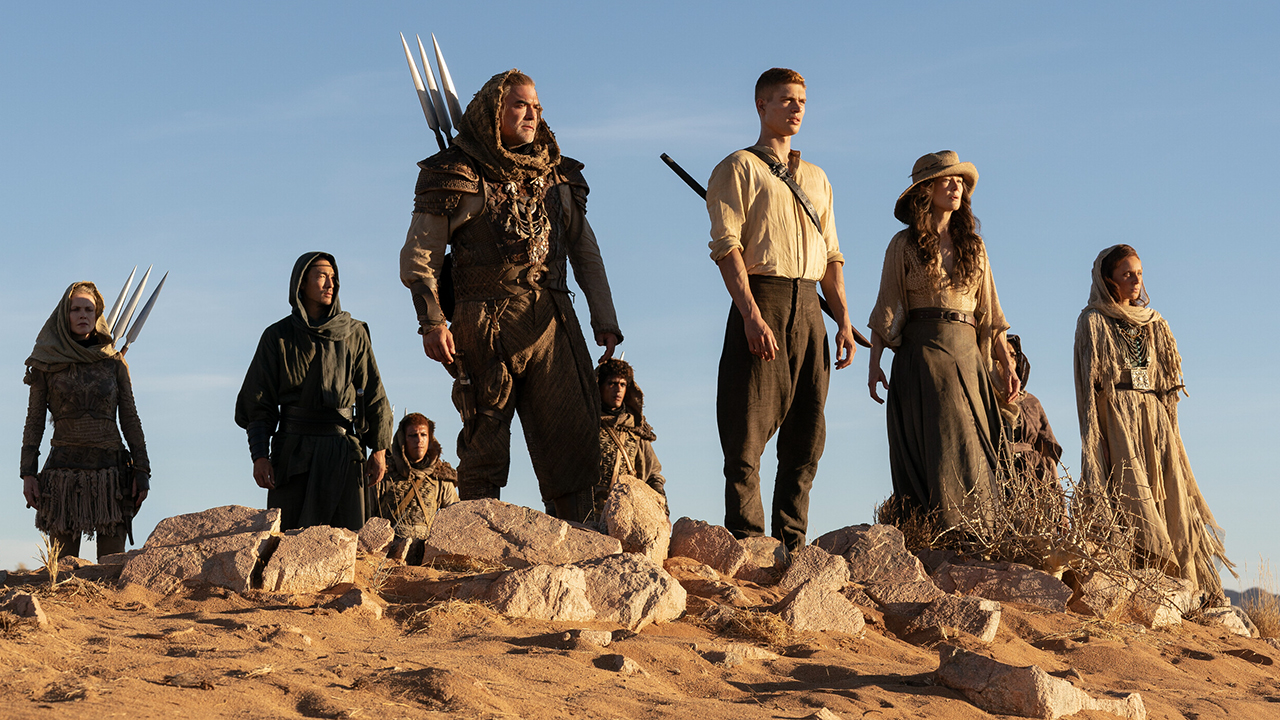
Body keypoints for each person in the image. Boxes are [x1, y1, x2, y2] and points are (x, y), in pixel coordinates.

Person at [401, 70, 622, 523]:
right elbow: (420, 255)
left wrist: (605, 318)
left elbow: (585, 250)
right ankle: (477, 543)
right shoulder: (457, 171)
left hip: (553, 320)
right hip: (482, 322)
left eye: (537, 107)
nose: (532, 114)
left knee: (571, 435)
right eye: (520, 105)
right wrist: (432, 321)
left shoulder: (559, 175)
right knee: (485, 436)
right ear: (495, 110)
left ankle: (575, 539)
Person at [706, 67, 856, 551]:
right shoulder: (737, 167)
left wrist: (846, 324)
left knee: (808, 434)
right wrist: (751, 314)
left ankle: (792, 543)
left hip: (811, 302)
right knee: (745, 429)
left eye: (801, 102)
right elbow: (727, 247)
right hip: (762, 295)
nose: (795, 109)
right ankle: (748, 543)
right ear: (761, 106)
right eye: (785, 100)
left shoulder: (818, 178)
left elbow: (832, 256)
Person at [867, 151, 1020, 531]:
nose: (956, 187)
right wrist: (874, 365)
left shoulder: (976, 246)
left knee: (973, 441)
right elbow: (887, 305)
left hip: (969, 354)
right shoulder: (903, 244)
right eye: (946, 180)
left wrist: (1006, 363)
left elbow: (991, 313)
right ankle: (941, 530)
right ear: (925, 190)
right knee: (938, 441)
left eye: (960, 182)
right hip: (922, 354)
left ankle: (980, 531)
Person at [1074, 244, 1232, 603]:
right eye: (1127, 273)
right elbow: (1088, 384)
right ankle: (1132, 580)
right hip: (1117, 418)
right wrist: (1096, 436)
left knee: (1168, 493)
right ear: (1107, 278)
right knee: (1130, 493)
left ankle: (1181, 587)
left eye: (1139, 273)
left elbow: (1166, 378)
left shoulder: (1155, 323)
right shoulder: (1093, 320)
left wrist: (1168, 428)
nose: (1135, 280)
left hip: (1154, 417)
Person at [235, 252, 393, 532]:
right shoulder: (277, 336)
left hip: (343, 451)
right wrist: (260, 455)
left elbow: (373, 393)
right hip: (293, 453)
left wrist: (379, 450)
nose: (330, 283)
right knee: (289, 543)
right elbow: (259, 402)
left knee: (347, 542)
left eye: (334, 278)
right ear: (301, 283)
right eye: (322, 276)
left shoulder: (353, 333)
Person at [21, 282, 149, 560]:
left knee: (111, 566)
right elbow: (34, 421)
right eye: (75, 309)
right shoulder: (47, 362)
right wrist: (28, 473)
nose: (82, 315)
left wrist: (142, 469)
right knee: (62, 569)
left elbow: (129, 417)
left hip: (112, 476)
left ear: (97, 315)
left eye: (88, 309)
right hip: (62, 476)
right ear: (63, 315)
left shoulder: (113, 361)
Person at [594, 358, 667, 522]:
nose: (618, 390)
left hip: (626, 517)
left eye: (622, 384)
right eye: (612, 384)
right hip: (587, 516)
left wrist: (663, 512)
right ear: (599, 387)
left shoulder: (636, 428)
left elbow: (653, 475)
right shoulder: (586, 426)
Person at [1001, 334, 1065, 520]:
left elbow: (1048, 454)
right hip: (999, 476)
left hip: (1034, 480)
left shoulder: (1031, 402)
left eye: (1012, 355)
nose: (1007, 359)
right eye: (1001, 354)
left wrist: (1060, 506)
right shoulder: (985, 398)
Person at [371, 413, 458, 539]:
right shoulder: (383, 473)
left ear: (429, 439)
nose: (418, 440)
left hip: (426, 551)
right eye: (412, 435)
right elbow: (365, 518)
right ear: (402, 440)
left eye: (423, 435)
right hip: (388, 550)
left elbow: (455, 519)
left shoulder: (440, 477)